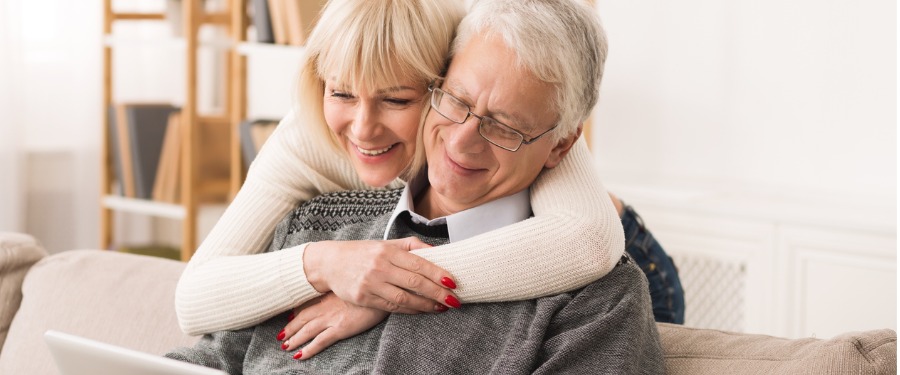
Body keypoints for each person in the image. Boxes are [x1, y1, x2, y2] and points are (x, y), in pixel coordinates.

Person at [167, 1, 664, 372]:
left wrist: (386, 287)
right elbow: (206, 344)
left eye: (505, 127)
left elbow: (589, 242)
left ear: (560, 146)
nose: (463, 142)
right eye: (456, 101)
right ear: (440, 82)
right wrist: (328, 266)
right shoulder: (315, 220)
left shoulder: (598, 299)